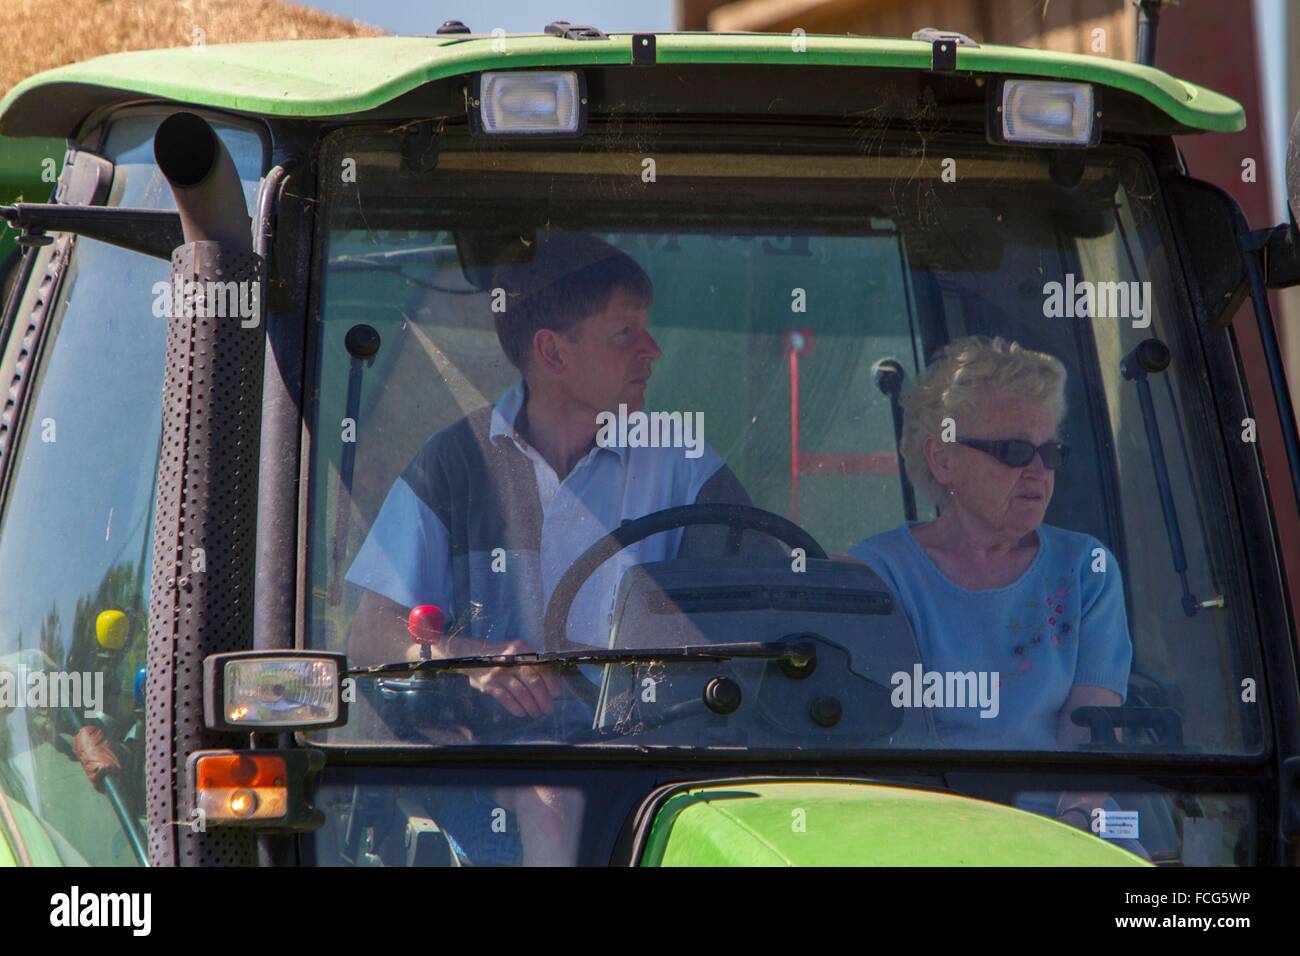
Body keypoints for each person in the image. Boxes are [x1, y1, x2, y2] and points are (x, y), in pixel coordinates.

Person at [344, 230, 758, 862]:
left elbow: (757, 613)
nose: (653, 350)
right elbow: (370, 636)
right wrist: (471, 657)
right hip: (495, 764)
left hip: (659, 758)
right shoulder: (456, 463)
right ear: (552, 352)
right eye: (624, 333)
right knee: (550, 795)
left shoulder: (688, 467)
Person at [847, 336, 1134, 837]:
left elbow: (1092, 736)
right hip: (922, 834)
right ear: (942, 459)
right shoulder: (878, 574)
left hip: (1067, 832)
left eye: (1048, 452)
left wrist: (1071, 830)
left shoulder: (1086, 569)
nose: (1038, 472)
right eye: (1015, 451)